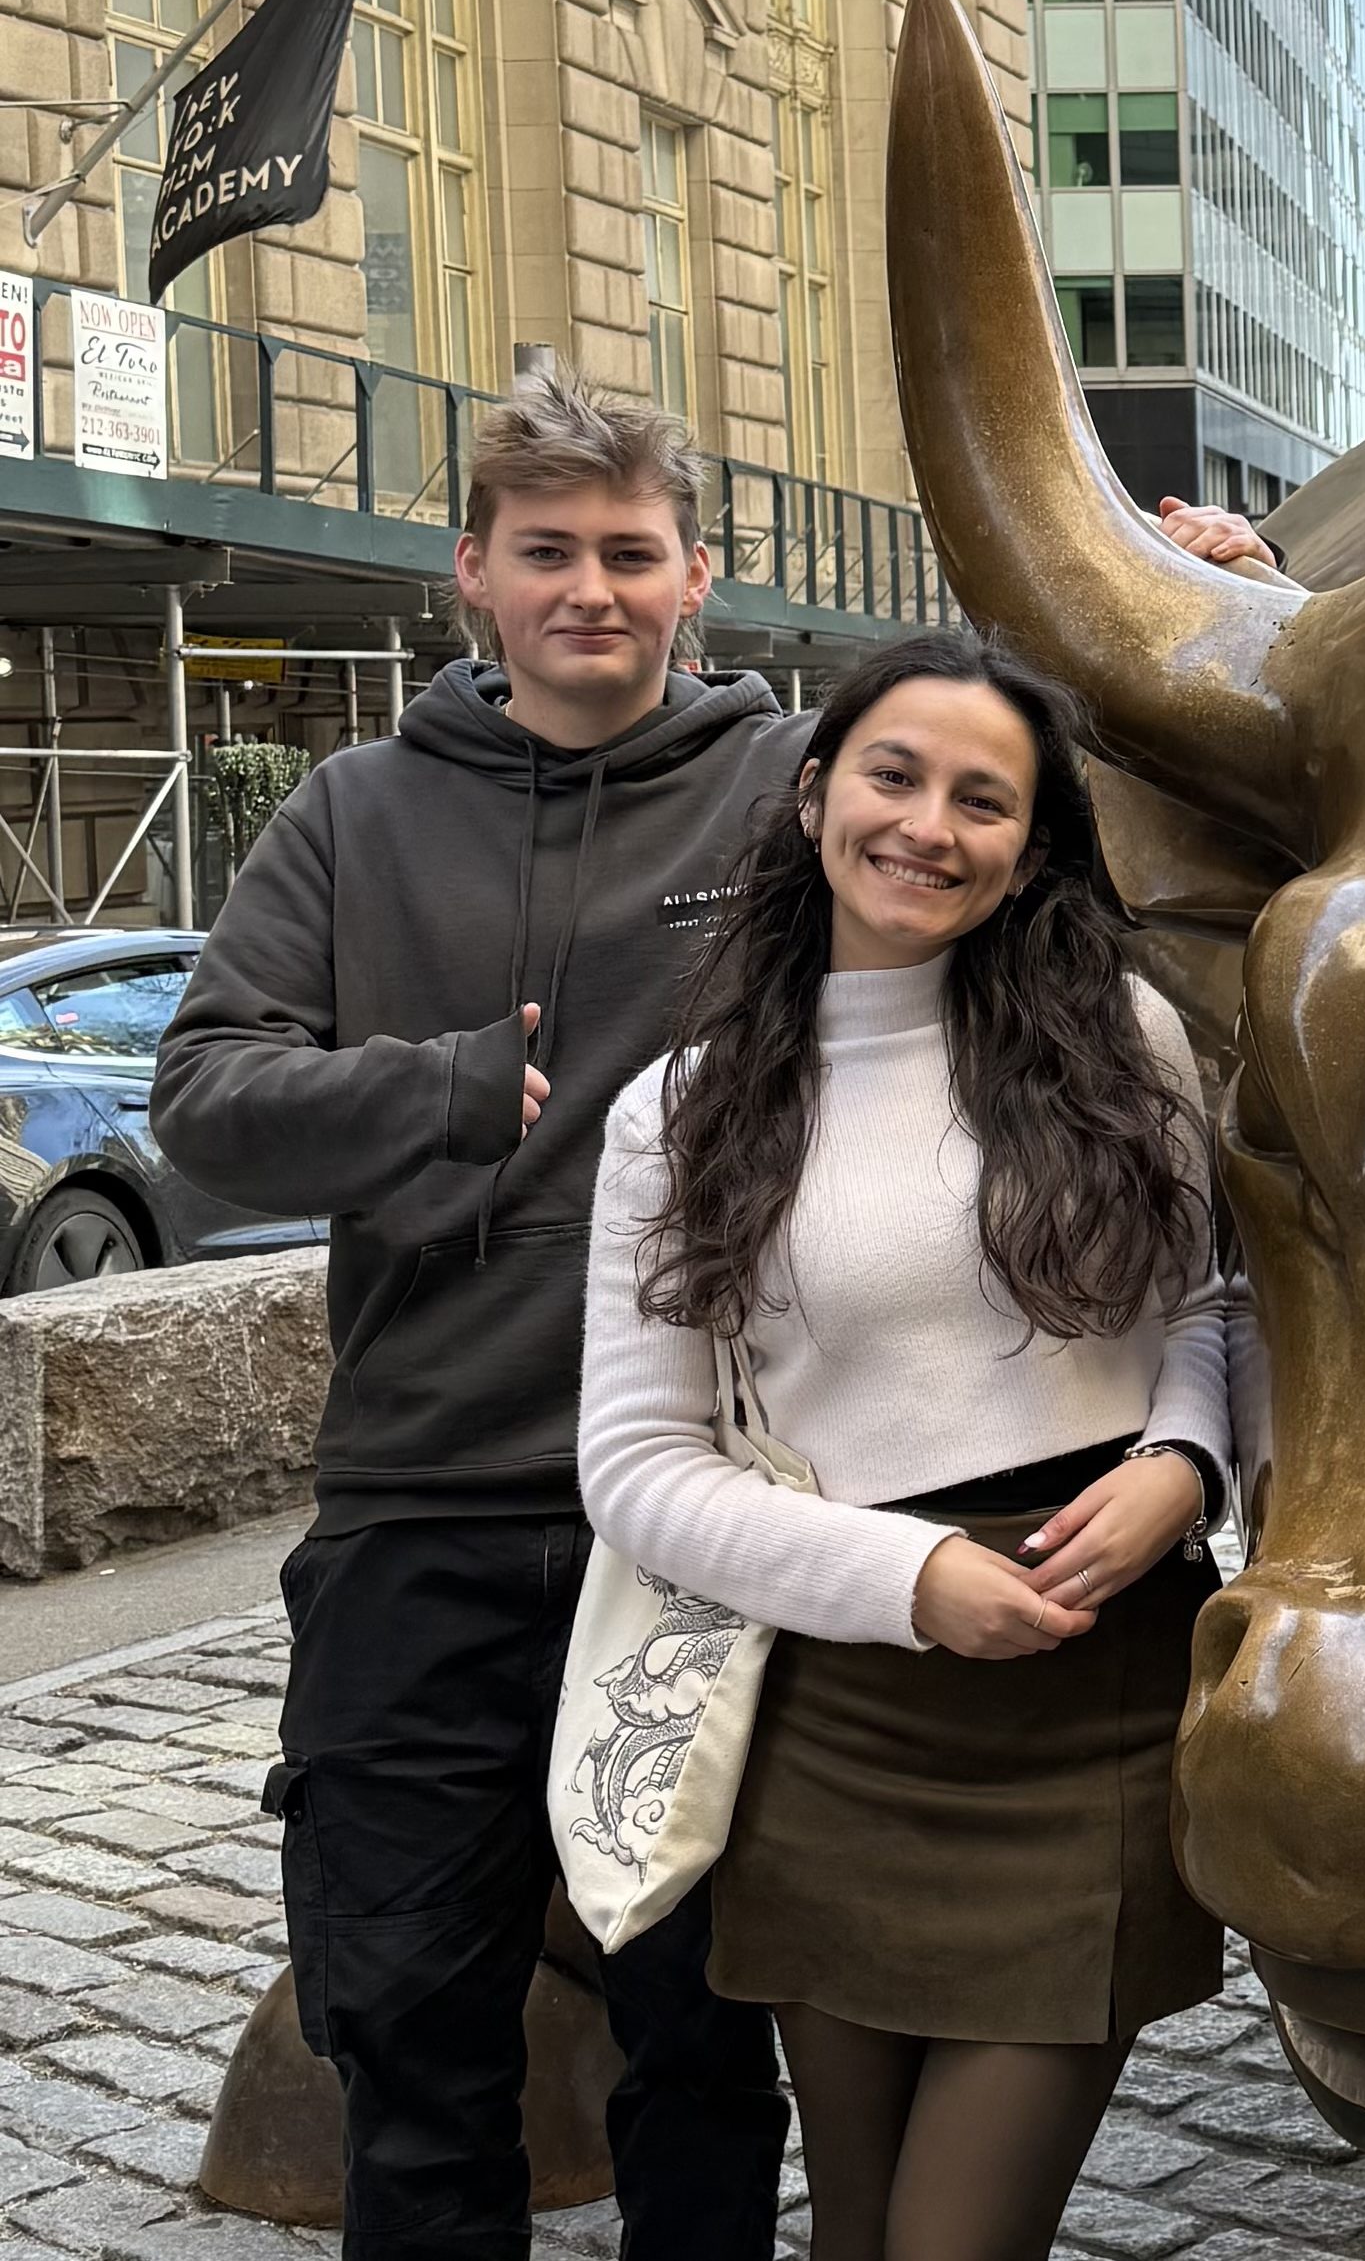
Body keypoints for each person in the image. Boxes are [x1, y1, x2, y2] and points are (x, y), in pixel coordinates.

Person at [153, 373, 799, 2257]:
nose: (588, 587)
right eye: (546, 553)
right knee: (414, 2040)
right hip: (420, 1511)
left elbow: (1012, 808)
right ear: (472, 578)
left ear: (693, 579)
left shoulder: (785, 793)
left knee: (698, 2038)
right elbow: (202, 1102)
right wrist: (429, 1092)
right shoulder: (354, 813)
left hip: (690, 1527)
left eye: (627, 552)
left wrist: (1243, 576)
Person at [577, 632, 1232, 2261]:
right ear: (813, 799)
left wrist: (1186, 1467)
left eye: (982, 799)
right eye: (893, 775)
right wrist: (910, 1574)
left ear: (1028, 853)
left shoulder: (1122, 1049)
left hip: (1094, 1692)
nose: (928, 824)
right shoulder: (681, 1109)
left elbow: (1216, 1308)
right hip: (836, 1706)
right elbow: (640, 1465)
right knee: (859, 2233)